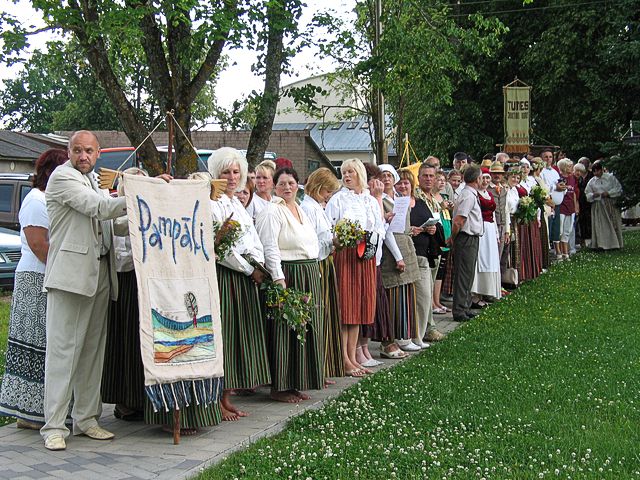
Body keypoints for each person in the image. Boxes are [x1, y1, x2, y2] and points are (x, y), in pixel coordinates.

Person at [40, 131, 129, 451]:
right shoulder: (63, 178)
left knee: (92, 352)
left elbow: (113, 224)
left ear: (98, 153)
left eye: (89, 151)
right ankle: (53, 426)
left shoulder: (93, 181)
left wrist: (153, 206)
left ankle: (87, 419)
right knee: (63, 353)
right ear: (68, 152)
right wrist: (139, 196)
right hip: (70, 277)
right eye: (77, 150)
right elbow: (99, 208)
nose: (83, 156)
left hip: (100, 273)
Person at [0, 149, 67, 429]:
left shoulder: (52, 200)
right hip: (35, 279)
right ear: (51, 172)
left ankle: (44, 409)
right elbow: (39, 245)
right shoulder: (36, 200)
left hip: (48, 278)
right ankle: (27, 413)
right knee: (33, 343)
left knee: (47, 344)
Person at [208, 148, 271, 419]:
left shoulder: (237, 204)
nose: (232, 177)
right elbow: (221, 248)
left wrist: (259, 264)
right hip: (226, 275)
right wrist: (248, 268)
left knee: (236, 337)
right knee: (225, 335)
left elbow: (252, 239)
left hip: (244, 275)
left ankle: (226, 396)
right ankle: (216, 399)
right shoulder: (213, 203)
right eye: (226, 172)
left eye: (236, 172)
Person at [256, 167, 325, 402]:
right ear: (275, 187)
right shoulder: (272, 211)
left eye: (291, 183)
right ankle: (280, 386)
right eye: (282, 183)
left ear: (297, 185)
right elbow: (270, 247)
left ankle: (296, 381)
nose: (287, 187)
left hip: (307, 272)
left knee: (304, 329)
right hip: (289, 273)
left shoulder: (300, 209)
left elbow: (310, 243)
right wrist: (278, 278)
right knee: (285, 330)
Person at [325, 159, 384, 376]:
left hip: (365, 255)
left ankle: (352, 356)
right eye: (344, 172)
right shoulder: (339, 199)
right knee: (347, 307)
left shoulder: (369, 200)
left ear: (360, 173)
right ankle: (343, 358)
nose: (347, 176)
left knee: (360, 308)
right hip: (346, 255)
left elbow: (379, 227)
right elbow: (330, 227)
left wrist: (373, 250)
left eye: (351, 172)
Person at [101, 167, 149, 424]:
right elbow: (120, 254)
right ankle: (125, 399)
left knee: (142, 341)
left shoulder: (149, 211)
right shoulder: (117, 213)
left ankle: (142, 397)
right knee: (125, 341)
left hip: (145, 283)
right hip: (125, 282)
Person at [300, 168, 344, 380]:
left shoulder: (317, 207)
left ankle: (325, 366)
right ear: (318, 188)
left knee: (327, 314)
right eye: (327, 191)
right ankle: (319, 367)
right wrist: (332, 242)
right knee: (320, 314)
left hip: (326, 261)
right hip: (318, 262)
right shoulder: (308, 209)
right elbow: (311, 241)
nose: (329, 196)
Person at [413, 164, 446, 341]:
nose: (428, 179)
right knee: (424, 291)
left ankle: (429, 324)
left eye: (431, 176)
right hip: (421, 248)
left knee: (431, 287)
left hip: (433, 246)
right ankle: (427, 326)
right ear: (418, 178)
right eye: (424, 175)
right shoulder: (417, 197)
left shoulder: (433, 198)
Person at [450, 164, 483, 322]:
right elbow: (459, 220)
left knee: (468, 274)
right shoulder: (468, 196)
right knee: (463, 274)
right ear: (477, 179)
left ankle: (465, 305)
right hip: (466, 237)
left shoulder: (470, 194)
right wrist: (453, 237)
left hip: (470, 237)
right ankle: (459, 309)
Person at [471, 169, 502, 303]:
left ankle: (489, 290)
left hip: (490, 229)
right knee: (481, 259)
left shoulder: (489, 194)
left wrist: (496, 233)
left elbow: (493, 215)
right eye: (483, 178)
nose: (485, 181)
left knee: (491, 259)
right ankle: (477, 292)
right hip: (480, 227)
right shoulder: (475, 194)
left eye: (488, 178)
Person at [585, 160, 623, 250]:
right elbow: (587, 193)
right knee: (601, 225)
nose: (596, 173)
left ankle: (615, 243)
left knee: (612, 222)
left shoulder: (610, 177)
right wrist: (593, 195)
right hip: (598, 205)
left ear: (601, 170)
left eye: (598, 171)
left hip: (610, 203)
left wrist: (609, 193)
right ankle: (602, 244)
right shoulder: (592, 181)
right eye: (594, 171)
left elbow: (618, 188)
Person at [431, 171, 453, 314]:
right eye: (439, 179)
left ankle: (437, 300)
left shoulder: (444, 196)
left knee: (442, 270)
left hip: (446, 232)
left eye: (444, 180)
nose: (442, 182)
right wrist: (441, 206)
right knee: (436, 269)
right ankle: (432, 302)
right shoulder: (431, 197)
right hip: (436, 235)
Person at [487, 161, 510, 283]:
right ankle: (493, 283)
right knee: (493, 255)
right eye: (495, 173)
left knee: (502, 255)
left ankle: (499, 282)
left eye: (500, 173)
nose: (497, 176)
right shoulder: (487, 189)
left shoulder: (504, 189)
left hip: (502, 224)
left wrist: (507, 230)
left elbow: (506, 210)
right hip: (492, 225)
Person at [557, 158, 578, 260]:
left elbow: (573, 193)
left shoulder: (572, 178)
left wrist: (575, 205)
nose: (571, 168)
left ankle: (566, 252)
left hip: (570, 207)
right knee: (560, 230)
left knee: (568, 230)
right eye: (569, 166)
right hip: (561, 206)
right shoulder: (559, 178)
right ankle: (559, 252)